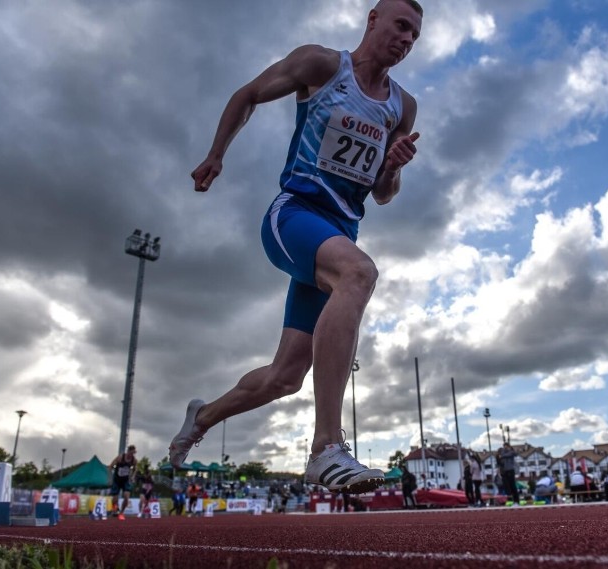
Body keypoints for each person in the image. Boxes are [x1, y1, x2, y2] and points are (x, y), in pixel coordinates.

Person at [169, 0, 424, 496]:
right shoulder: (323, 66)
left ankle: (203, 416)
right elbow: (248, 94)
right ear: (372, 18)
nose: (406, 39)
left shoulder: (402, 106)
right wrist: (216, 154)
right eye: (400, 26)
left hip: (338, 235)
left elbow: (383, 193)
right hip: (294, 215)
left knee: (286, 375)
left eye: (414, 35)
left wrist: (393, 166)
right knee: (359, 274)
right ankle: (326, 447)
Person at [108, 445, 137, 520]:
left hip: (125, 480)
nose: (132, 455)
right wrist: (111, 477)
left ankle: (121, 512)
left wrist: (133, 476)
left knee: (126, 496)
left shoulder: (134, 460)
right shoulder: (120, 457)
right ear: (128, 451)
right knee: (115, 499)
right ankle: (114, 509)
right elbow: (110, 466)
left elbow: (135, 469)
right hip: (117, 479)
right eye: (131, 453)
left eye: (133, 453)